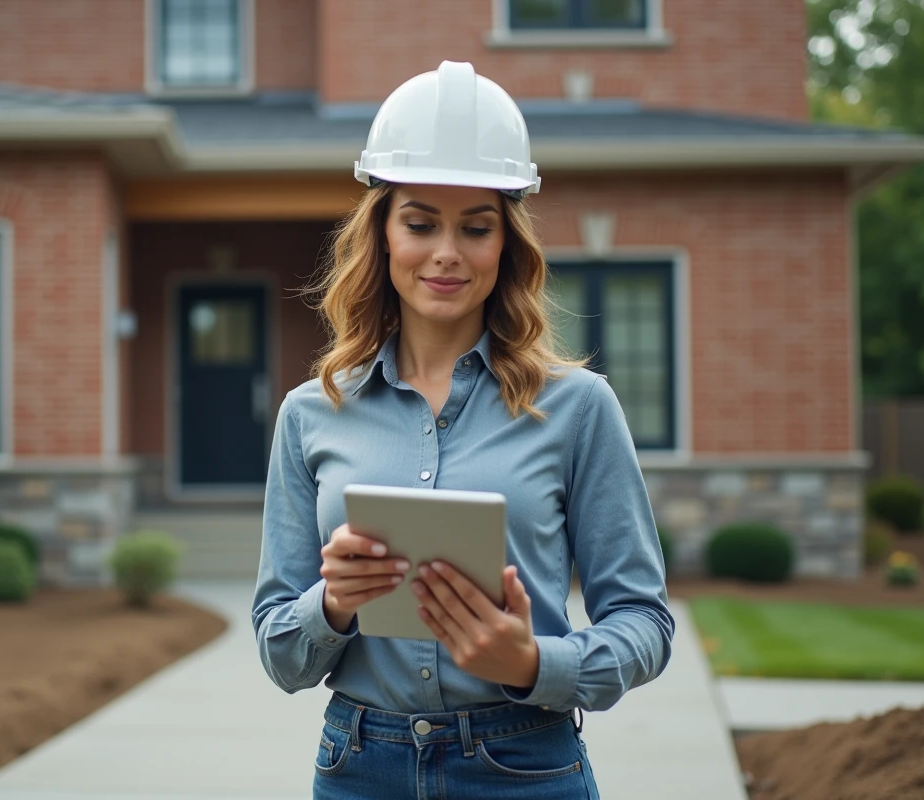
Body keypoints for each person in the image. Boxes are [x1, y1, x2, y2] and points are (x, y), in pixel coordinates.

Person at [252, 60, 674, 800]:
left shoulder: (578, 408)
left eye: (476, 228)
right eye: (420, 223)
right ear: (382, 235)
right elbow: (281, 656)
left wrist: (536, 664)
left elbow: (643, 621)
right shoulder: (309, 414)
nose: (446, 252)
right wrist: (334, 603)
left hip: (525, 765)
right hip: (358, 768)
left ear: (505, 246)